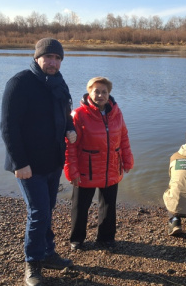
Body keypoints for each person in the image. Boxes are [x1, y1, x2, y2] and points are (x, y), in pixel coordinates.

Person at [1, 38, 76, 286]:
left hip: (53, 161)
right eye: (48, 57)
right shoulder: (20, 83)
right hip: (28, 165)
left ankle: (48, 253)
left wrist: (70, 128)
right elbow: (8, 127)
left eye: (57, 58)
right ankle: (32, 264)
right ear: (37, 58)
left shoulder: (58, 82)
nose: (53, 62)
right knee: (39, 212)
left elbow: (65, 109)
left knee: (47, 209)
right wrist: (20, 163)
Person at [64, 77, 134, 251]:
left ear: (109, 94)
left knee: (109, 206)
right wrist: (71, 172)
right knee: (80, 207)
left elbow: (123, 137)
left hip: (111, 168)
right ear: (89, 92)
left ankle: (106, 238)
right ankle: (77, 239)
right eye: (96, 91)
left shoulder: (116, 113)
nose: (100, 95)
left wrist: (127, 159)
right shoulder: (78, 115)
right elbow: (70, 146)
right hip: (86, 169)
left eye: (104, 92)